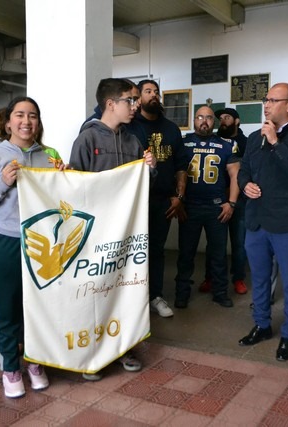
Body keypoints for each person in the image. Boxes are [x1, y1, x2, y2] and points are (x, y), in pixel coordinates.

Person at [0, 97, 60, 398]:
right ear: (8, 122)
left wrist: (64, 179)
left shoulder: (47, 157)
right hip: (6, 243)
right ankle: (10, 368)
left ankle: (34, 363)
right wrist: (2, 184)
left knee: (36, 309)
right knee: (6, 309)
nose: (26, 121)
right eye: (20, 115)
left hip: (41, 244)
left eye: (32, 115)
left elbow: (61, 203)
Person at [70, 77, 156, 382]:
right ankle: (93, 354)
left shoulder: (133, 141)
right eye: (129, 101)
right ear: (111, 104)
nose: (135, 107)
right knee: (94, 295)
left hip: (126, 236)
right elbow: (74, 188)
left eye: (135, 101)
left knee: (125, 291)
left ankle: (124, 347)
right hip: (95, 237)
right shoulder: (87, 140)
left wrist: (150, 169)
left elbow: (142, 188)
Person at [237, 83, 288, 362]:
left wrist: (276, 142)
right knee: (259, 278)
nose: (267, 104)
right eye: (266, 99)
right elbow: (244, 171)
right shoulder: (253, 137)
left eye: (274, 100)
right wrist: (245, 184)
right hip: (257, 220)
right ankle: (262, 325)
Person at [126, 79, 185, 318]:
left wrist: (179, 195)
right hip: (135, 201)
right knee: (134, 250)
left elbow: (181, 166)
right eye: (148, 91)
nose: (154, 95)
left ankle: (155, 296)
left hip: (163, 200)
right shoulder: (129, 126)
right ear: (138, 97)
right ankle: (132, 298)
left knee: (157, 250)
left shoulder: (171, 128)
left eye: (156, 91)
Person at [174, 106, 240, 310]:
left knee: (218, 254)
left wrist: (231, 203)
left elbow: (235, 176)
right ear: (194, 120)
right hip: (189, 207)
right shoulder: (183, 143)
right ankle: (181, 293)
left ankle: (220, 293)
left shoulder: (227, 145)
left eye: (209, 118)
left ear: (215, 121)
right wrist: (179, 200)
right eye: (200, 117)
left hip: (216, 208)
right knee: (186, 254)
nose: (204, 121)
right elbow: (175, 173)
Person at [199, 107, 249, 296]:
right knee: (214, 242)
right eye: (220, 118)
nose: (222, 121)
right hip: (217, 199)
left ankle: (238, 278)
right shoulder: (214, 141)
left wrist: (235, 197)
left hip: (240, 200)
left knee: (239, 242)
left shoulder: (246, 143)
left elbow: (247, 170)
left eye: (227, 118)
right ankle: (210, 277)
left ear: (237, 121)